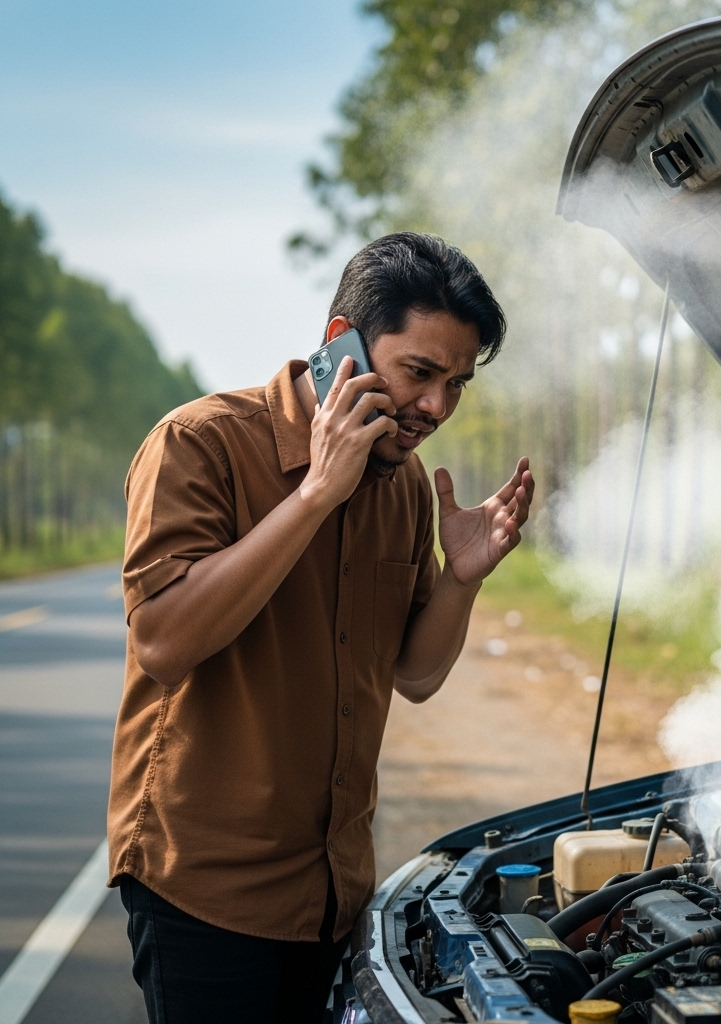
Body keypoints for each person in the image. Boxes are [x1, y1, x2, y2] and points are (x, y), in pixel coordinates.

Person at [108, 232, 533, 1023]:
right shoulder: (198, 444)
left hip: (337, 892)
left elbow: (414, 674)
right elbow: (163, 643)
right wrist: (314, 497)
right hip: (205, 889)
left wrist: (460, 581)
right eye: (420, 373)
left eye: (457, 383)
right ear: (343, 341)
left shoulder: (403, 488)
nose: (437, 407)